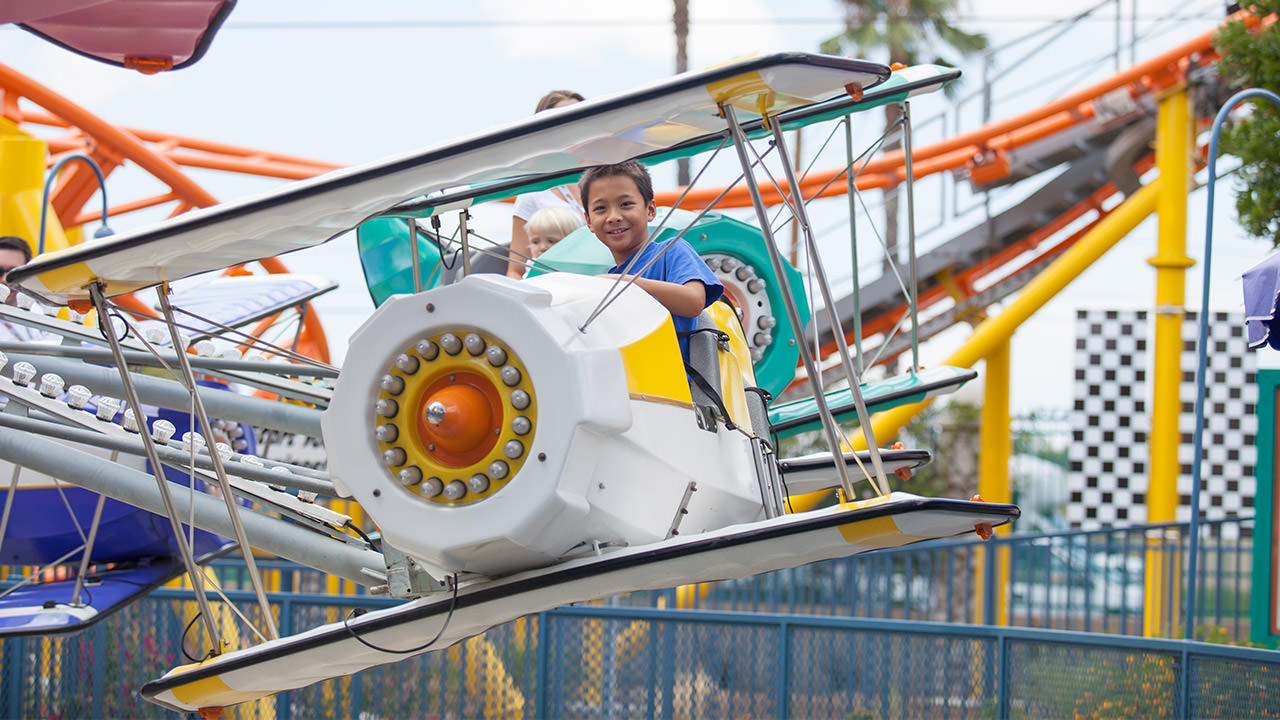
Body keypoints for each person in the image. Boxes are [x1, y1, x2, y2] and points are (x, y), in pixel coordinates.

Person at [579, 160, 723, 358]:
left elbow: (694, 302)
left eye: (626, 204)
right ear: (588, 221)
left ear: (650, 210)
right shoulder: (601, 284)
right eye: (601, 209)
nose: (613, 217)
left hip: (673, 385)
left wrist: (626, 283)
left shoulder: (671, 251)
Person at [507, 90, 586, 279]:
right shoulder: (533, 192)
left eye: (579, 117)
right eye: (562, 120)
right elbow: (515, 271)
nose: (572, 126)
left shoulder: (608, 178)